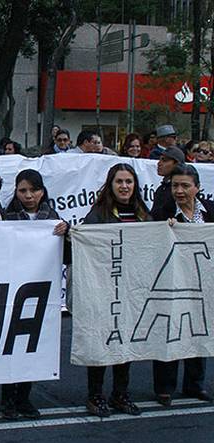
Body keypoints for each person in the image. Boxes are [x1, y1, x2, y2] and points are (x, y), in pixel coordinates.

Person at [0, 169, 69, 420]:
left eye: (33, 190)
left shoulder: (53, 218)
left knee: (32, 345)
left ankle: (24, 397)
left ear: (42, 191)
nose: (28, 195)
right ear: (15, 192)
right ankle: (8, 400)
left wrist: (66, 235)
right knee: (10, 344)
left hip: (40, 292)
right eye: (23, 190)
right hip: (13, 291)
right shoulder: (5, 217)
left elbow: (66, 257)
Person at [80, 163, 150, 417]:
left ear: (135, 185)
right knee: (101, 343)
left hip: (131, 290)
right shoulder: (98, 213)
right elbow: (86, 246)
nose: (124, 186)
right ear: (110, 185)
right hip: (104, 290)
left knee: (125, 344)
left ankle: (120, 394)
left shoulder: (143, 212)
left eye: (129, 182)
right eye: (119, 181)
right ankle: (95, 395)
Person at [151, 163, 214, 407]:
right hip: (173, 282)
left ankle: (194, 385)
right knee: (170, 331)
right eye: (175, 185)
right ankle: (165, 388)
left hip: (203, 282)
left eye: (185, 186)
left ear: (197, 188)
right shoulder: (161, 213)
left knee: (199, 331)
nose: (179, 191)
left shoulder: (209, 211)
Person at [150, 145, 186, 221]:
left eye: (164, 160)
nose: (159, 163)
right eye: (159, 160)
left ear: (176, 164)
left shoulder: (181, 191)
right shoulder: (161, 189)